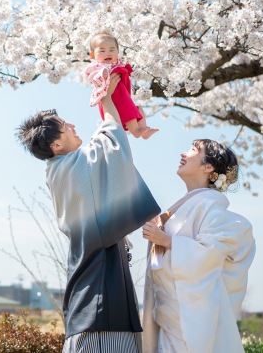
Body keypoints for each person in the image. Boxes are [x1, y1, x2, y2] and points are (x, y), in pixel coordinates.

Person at [17, 85, 160, 353]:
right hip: (100, 292)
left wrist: (116, 106)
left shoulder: (60, 170)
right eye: (64, 125)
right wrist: (106, 98)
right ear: (56, 145)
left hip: (93, 283)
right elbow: (111, 145)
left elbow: (106, 146)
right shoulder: (69, 168)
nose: (72, 125)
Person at [140, 139, 256, 353]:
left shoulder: (211, 207)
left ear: (208, 167)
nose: (183, 153)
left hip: (188, 321)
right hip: (169, 314)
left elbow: (209, 255)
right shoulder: (189, 205)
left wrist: (166, 240)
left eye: (194, 150)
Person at [84, 32, 158, 139]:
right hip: (112, 98)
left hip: (122, 96)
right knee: (128, 111)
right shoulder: (96, 66)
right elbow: (92, 76)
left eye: (112, 50)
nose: (108, 53)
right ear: (92, 55)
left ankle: (144, 131)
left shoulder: (117, 63)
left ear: (118, 52)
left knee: (138, 109)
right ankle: (136, 131)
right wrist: (102, 74)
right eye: (102, 50)